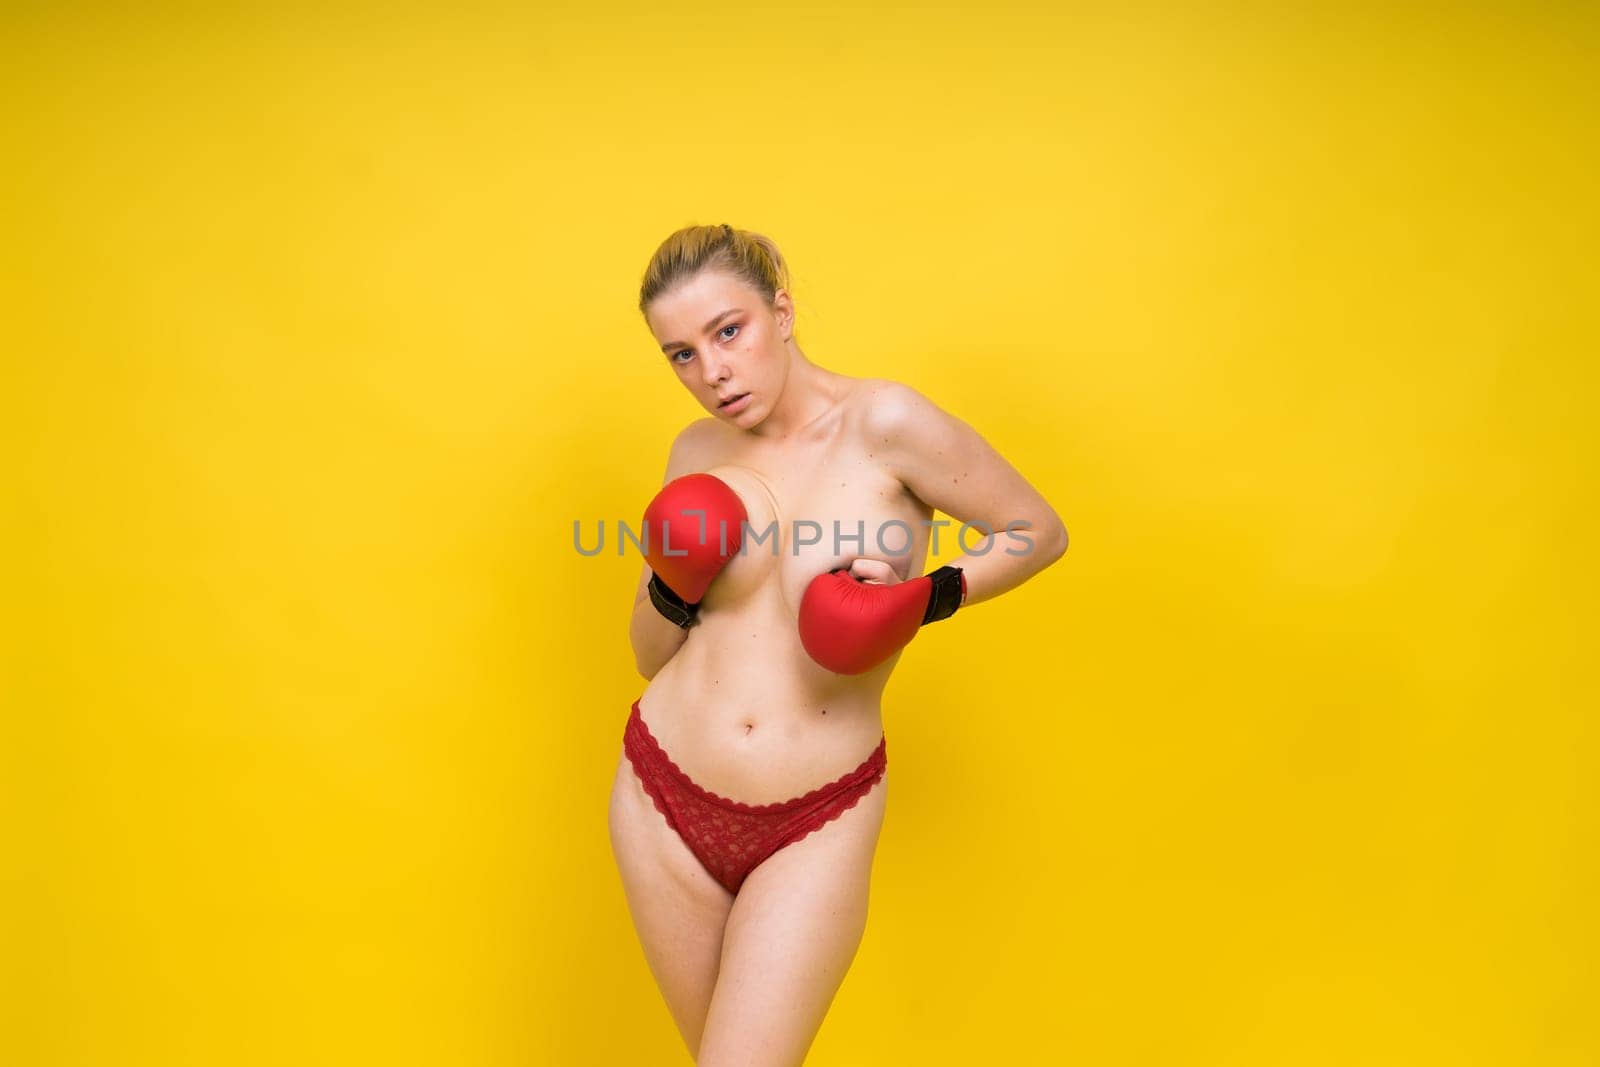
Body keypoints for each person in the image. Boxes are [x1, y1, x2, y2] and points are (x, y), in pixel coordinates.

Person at [607, 223, 1069, 1065]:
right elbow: (648, 653)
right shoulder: (695, 451)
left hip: (815, 814)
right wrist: (674, 579)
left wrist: (925, 596)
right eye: (680, 353)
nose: (711, 372)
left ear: (780, 311)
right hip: (660, 795)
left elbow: (1036, 530)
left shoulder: (886, 423)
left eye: (728, 331)